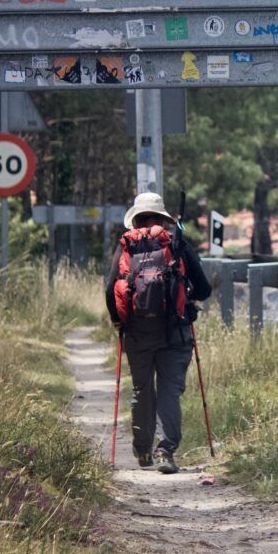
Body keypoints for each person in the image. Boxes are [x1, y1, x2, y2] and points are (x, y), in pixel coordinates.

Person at [104, 192, 211, 474]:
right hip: (175, 331)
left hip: (137, 332)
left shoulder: (126, 246)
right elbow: (204, 289)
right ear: (163, 217)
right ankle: (166, 452)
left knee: (141, 389)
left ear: (135, 218)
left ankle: (142, 450)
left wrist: (120, 322)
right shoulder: (176, 244)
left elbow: (109, 289)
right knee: (169, 391)